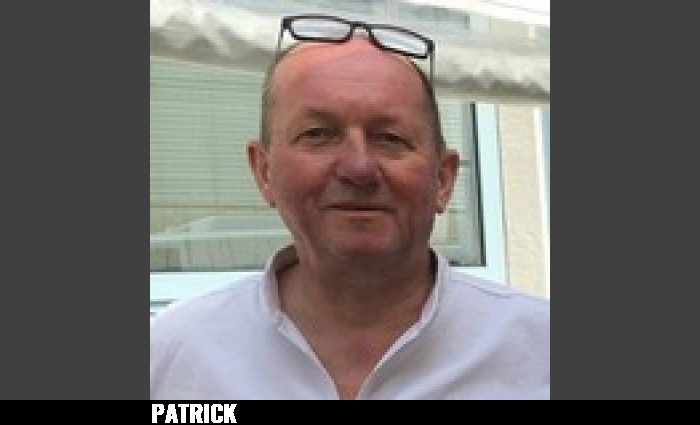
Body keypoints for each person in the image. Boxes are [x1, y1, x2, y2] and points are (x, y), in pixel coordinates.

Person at [150, 14, 549, 400]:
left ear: (443, 179)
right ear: (264, 171)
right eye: (318, 134)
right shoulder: (172, 356)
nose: (359, 168)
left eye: (390, 138)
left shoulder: (540, 354)